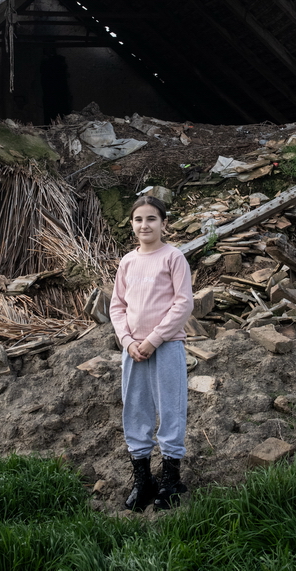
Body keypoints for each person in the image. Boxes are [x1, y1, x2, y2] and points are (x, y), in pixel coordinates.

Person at [109, 195, 194, 511]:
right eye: (138, 219)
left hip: (166, 346)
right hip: (133, 351)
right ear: (132, 224)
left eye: (151, 219)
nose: (144, 225)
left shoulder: (173, 257)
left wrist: (154, 339)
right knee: (135, 409)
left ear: (164, 223)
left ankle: (171, 480)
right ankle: (143, 480)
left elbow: (183, 304)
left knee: (171, 408)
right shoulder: (128, 262)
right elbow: (117, 306)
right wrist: (128, 341)